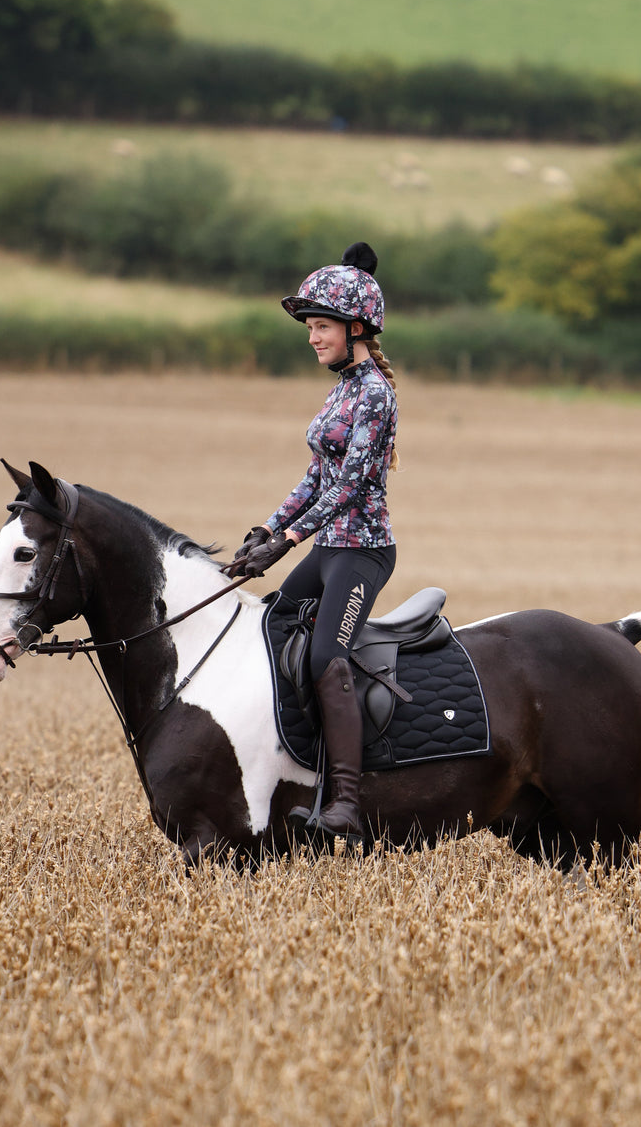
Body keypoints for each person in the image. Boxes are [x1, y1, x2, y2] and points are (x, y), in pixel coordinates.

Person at [228, 241, 399, 846]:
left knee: (328, 657)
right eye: (310, 327)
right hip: (328, 549)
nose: (311, 337)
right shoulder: (341, 389)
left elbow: (351, 486)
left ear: (355, 328)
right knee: (274, 624)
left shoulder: (375, 392)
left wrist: (291, 538)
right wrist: (269, 531)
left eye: (320, 326)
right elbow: (315, 478)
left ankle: (348, 803)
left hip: (361, 552)